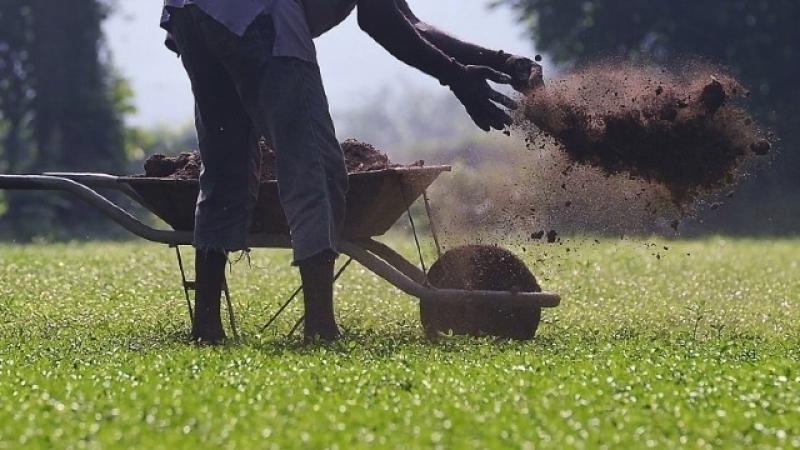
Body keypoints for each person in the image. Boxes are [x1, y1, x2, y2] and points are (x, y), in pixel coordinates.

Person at [161, 0, 542, 344]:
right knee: (317, 168)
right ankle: (320, 327)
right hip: (259, 16)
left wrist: (502, 63)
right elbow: (380, 21)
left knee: (225, 167)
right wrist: (455, 76)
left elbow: (407, 21)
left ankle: (206, 327)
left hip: (191, 14)